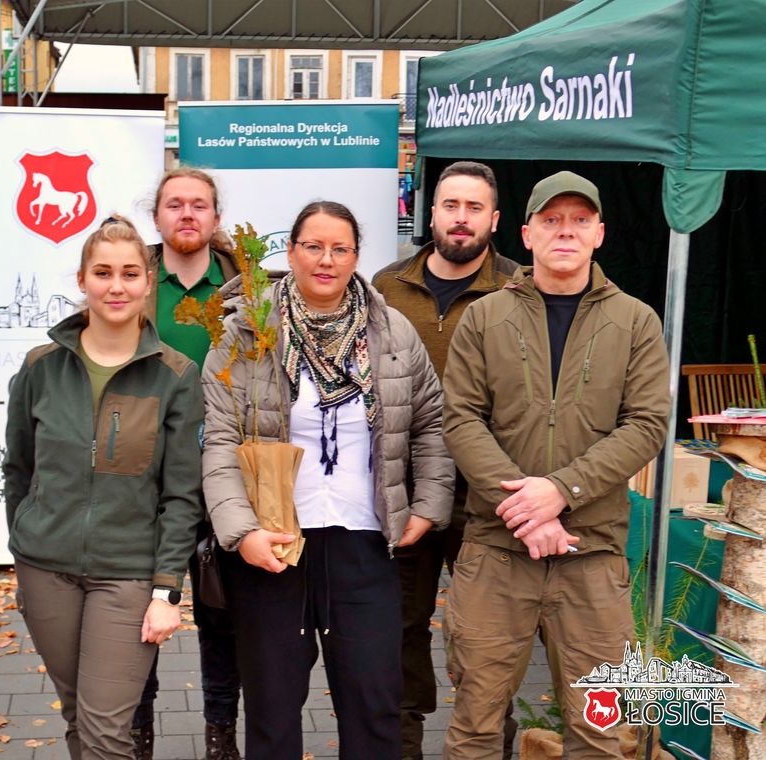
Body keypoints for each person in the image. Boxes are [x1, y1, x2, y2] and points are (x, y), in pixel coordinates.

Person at [202, 200, 455, 759]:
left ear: (357, 257)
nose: (326, 259)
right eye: (313, 246)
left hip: (364, 543)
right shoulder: (245, 334)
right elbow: (219, 441)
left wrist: (429, 504)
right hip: (273, 546)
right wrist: (241, 532)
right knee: (271, 708)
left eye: (340, 248)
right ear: (290, 252)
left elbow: (431, 425)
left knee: (374, 704)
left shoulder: (394, 334)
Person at [440, 171, 671, 758]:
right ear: (526, 233)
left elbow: (646, 425)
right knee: (476, 726)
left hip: (591, 555)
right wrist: (528, 510)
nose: (564, 231)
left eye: (578, 220)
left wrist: (561, 491)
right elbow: (462, 419)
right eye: (550, 220)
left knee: (600, 733)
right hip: (496, 553)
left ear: (599, 233)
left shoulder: (636, 322)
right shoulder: (486, 317)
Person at [4, 215, 204, 760]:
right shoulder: (40, 368)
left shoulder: (175, 374)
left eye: (129, 273)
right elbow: (18, 469)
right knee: (77, 716)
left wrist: (166, 589)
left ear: (147, 281)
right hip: (47, 571)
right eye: (103, 272)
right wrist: (26, 543)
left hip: (129, 574)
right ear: (82, 280)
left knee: (105, 729)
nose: (116, 286)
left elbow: (182, 494)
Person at [372, 160, 520, 760]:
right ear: (430, 212)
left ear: (495, 219)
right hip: (403, 497)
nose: (461, 219)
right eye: (451, 205)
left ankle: (490, 746)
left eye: (474, 208)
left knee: (490, 640)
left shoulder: (521, 288)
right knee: (398, 631)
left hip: (491, 496)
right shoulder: (384, 287)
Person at [133, 167, 243, 760]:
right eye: (175, 204)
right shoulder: (135, 282)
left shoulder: (245, 288)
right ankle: (138, 730)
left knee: (222, 615)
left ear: (215, 218)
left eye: (199, 204)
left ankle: (220, 734)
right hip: (147, 477)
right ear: (157, 216)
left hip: (224, 476)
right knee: (139, 611)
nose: (187, 214)